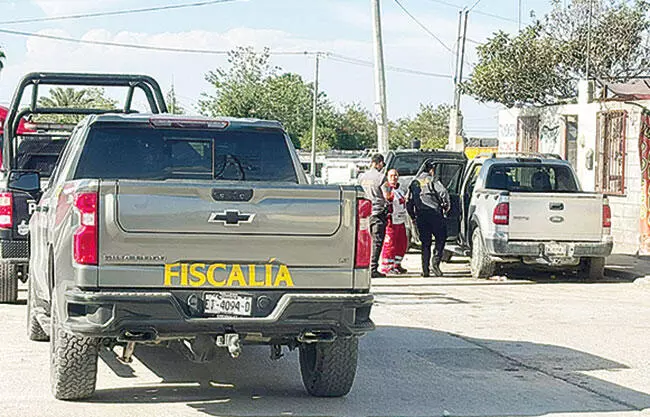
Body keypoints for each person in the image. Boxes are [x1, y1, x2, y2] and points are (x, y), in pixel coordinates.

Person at [407, 160, 451, 277]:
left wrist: (412, 216)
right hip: (435, 215)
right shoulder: (432, 180)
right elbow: (443, 192)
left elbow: (409, 201)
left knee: (425, 243)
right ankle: (435, 263)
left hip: (421, 216)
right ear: (431, 170)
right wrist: (446, 206)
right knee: (441, 238)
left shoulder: (414, 182)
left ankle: (425, 269)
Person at [359, 153, 389, 278]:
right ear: (380, 163)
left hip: (364, 213)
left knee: (364, 241)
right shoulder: (381, 178)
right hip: (378, 212)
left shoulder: (362, 177)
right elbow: (387, 196)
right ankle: (373, 268)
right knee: (377, 241)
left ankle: (363, 266)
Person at [380, 169, 408, 275]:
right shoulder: (386, 188)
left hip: (401, 221)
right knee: (390, 244)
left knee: (402, 243)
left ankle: (397, 264)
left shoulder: (400, 190)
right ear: (387, 177)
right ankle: (387, 266)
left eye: (396, 175)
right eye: (391, 176)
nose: (394, 178)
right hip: (391, 221)